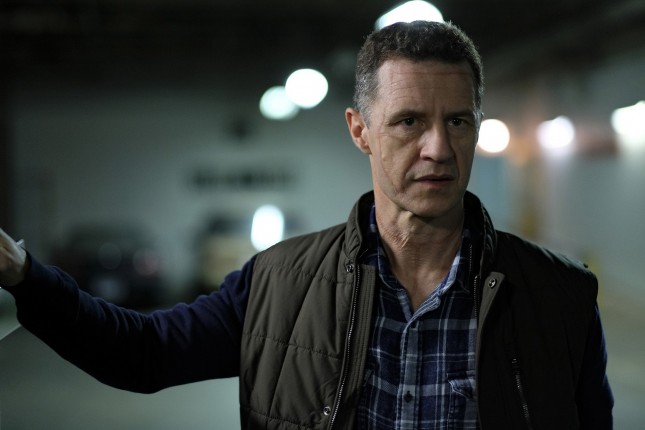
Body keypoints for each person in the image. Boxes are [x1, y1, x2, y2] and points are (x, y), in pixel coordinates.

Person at [0, 20, 613, 429]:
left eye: (457, 121)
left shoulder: (561, 296)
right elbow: (142, 354)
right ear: (360, 131)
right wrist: (23, 274)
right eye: (408, 122)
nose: (438, 148)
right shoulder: (277, 284)